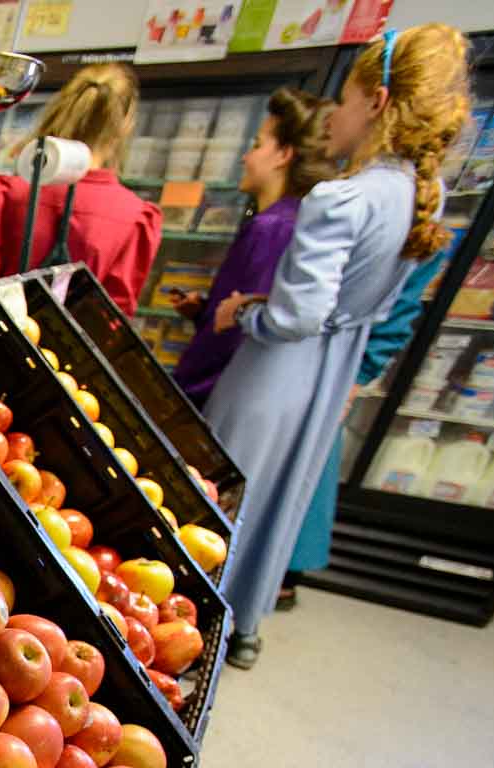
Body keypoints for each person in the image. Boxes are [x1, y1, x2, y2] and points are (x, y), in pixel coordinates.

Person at [203, 24, 471, 668]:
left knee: (222, 490)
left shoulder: (341, 198)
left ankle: (194, 609)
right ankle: (241, 621)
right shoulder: (418, 197)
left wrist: (247, 314)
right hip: (332, 371)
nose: (335, 119)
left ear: (377, 103)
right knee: (279, 499)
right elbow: (363, 310)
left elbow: (296, 316)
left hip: (277, 372)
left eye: (347, 101)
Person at [279, 253, 445, 607]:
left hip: (327, 361)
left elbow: (398, 312)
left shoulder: (409, 234)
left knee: (306, 471)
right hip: (292, 353)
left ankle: (285, 573)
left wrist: (357, 376)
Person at [170, 90, 337, 407]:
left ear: (283, 155)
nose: (245, 158)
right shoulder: (293, 221)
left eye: (258, 145)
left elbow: (235, 335)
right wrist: (205, 311)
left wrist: (180, 394)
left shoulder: (272, 228)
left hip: (215, 399)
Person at [0, 65, 161, 313]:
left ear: (61, 107)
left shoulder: (7, 193)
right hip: (69, 349)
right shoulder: (135, 217)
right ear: (124, 125)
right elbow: (113, 317)